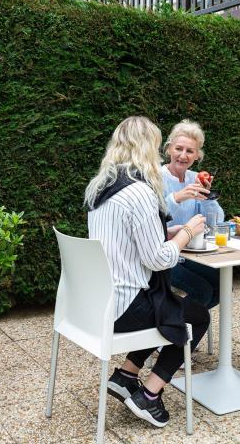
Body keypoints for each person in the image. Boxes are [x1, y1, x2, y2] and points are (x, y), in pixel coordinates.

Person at [85, 116, 210, 428]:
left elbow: (130, 241)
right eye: (156, 147)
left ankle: (126, 376)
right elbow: (159, 261)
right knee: (196, 315)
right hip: (123, 308)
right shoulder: (140, 191)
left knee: (164, 302)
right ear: (146, 149)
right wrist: (187, 233)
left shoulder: (103, 186)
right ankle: (149, 395)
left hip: (96, 303)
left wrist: (168, 234)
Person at [161, 120, 223, 310]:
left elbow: (217, 221)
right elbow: (151, 219)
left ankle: (180, 323)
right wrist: (176, 198)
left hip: (192, 254)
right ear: (169, 149)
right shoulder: (155, 177)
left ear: (197, 155)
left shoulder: (196, 178)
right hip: (163, 255)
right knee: (202, 291)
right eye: (178, 148)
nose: (183, 155)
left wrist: (208, 198)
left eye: (190, 151)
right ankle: (176, 329)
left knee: (221, 284)